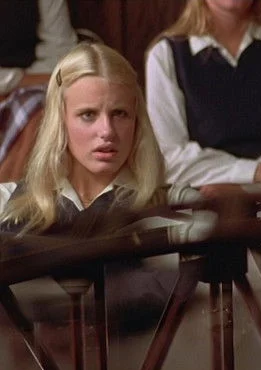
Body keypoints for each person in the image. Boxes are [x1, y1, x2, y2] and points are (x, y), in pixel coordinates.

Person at [0, 43, 209, 333]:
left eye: (119, 114)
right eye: (88, 115)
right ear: (60, 122)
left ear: (136, 121)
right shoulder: (7, 202)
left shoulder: (175, 211)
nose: (107, 131)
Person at [145, 0, 261, 195]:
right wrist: (257, 172)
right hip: (200, 198)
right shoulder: (165, 55)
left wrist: (245, 190)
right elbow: (170, 158)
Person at [0, 0, 78, 182]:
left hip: (35, 82)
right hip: (30, 80)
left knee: (38, 110)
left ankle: (10, 195)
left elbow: (61, 50)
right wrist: (14, 82)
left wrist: (19, 83)